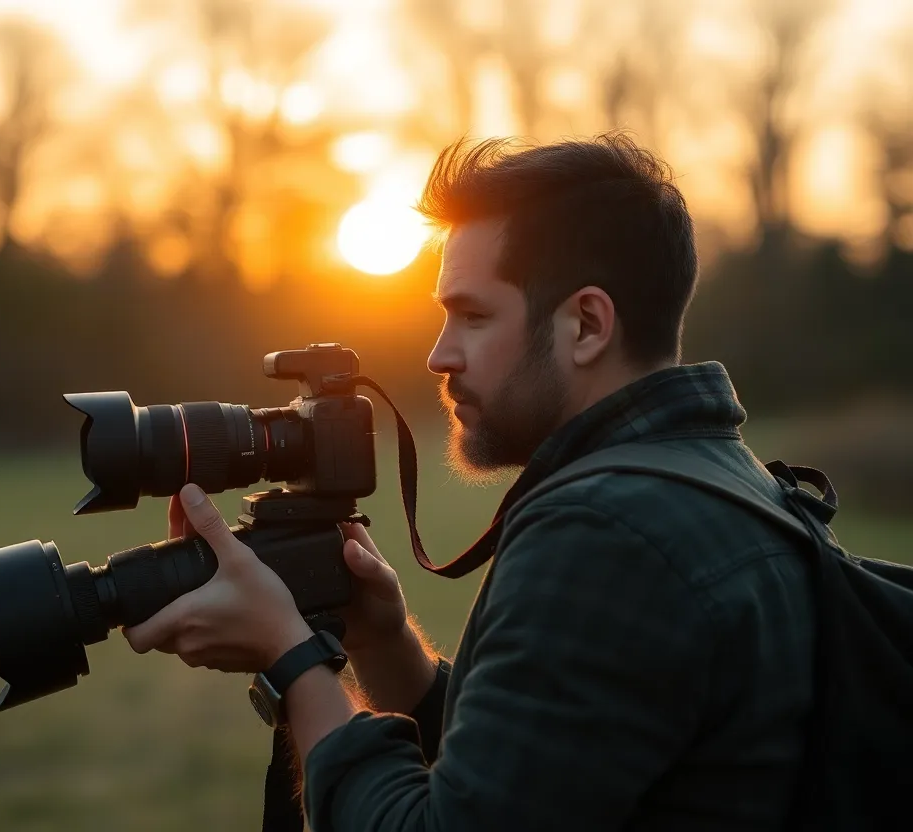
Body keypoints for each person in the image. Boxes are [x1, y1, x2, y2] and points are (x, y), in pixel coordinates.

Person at [122, 132, 815, 831]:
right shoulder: (732, 484)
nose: (438, 354)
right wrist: (383, 643)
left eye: (473, 315)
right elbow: (541, 779)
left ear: (586, 325)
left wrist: (292, 660)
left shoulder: (603, 533)